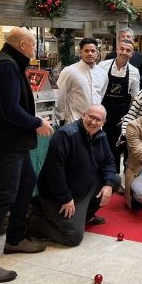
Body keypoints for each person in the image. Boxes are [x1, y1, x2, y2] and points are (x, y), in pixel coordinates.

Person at [0, 28, 53, 283]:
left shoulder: (12, 63)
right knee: (4, 197)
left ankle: (16, 238)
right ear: (22, 44)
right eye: (32, 45)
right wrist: (37, 122)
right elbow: (10, 110)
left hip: (18, 144)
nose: (35, 50)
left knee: (26, 184)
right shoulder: (6, 66)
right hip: (9, 145)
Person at [29, 105, 119, 246]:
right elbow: (54, 171)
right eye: (91, 117)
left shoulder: (101, 136)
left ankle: (85, 217)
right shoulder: (66, 134)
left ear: (103, 122)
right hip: (58, 196)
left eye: (98, 119)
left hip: (82, 190)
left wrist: (108, 185)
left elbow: (109, 163)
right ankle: (35, 222)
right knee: (73, 237)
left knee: (114, 180)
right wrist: (65, 198)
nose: (94, 122)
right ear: (84, 115)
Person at [97, 39, 140, 190]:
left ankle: (113, 181)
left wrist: (129, 116)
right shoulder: (102, 66)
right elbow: (96, 89)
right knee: (99, 146)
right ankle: (97, 180)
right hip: (101, 114)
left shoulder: (134, 71)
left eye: (128, 50)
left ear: (132, 53)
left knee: (116, 150)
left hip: (120, 117)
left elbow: (135, 97)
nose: (124, 52)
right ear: (117, 49)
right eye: (122, 49)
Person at [55, 37, 108, 124]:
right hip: (74, 123)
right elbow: (59, 95)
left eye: (93, 51)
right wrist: (61, 118)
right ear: (80, 52)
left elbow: (101, 95)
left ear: (97, 53)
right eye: (86, 51)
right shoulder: (69, 71)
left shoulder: (103, 74)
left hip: (96, 124)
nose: (90, 53)